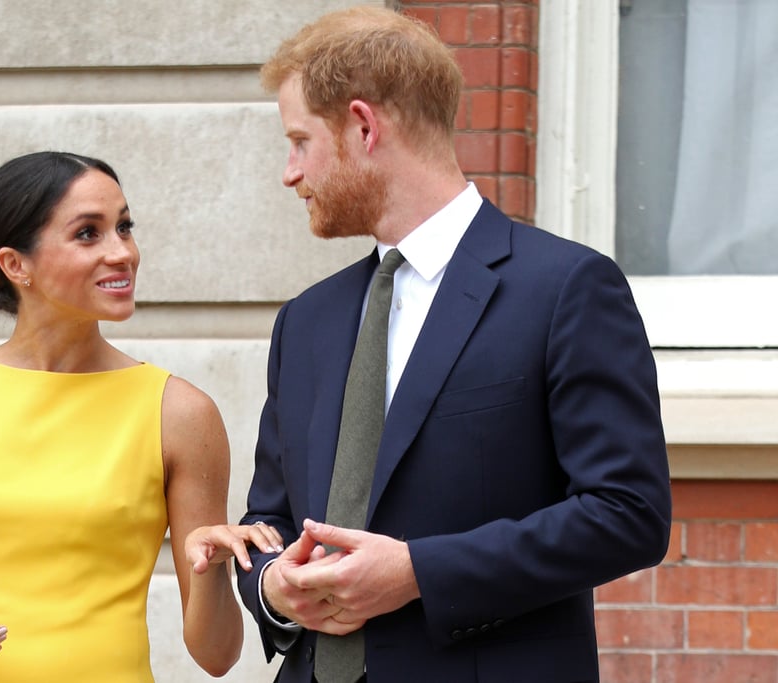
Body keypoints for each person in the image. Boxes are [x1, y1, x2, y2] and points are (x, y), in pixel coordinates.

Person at [235, 7, 673, 682]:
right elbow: (266, 519)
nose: (290, 173)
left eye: (299, 141)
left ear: (362, 125)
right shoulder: (306, 322)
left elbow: (627, 515)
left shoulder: (565, 289)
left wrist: (418, 572)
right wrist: (272, 588)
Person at [0, 151, 284, 681]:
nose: (122, 251)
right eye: (88, 234)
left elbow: (216, 656)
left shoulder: (180, 413)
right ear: (16, 264)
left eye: (124, 227)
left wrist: (211, 569)